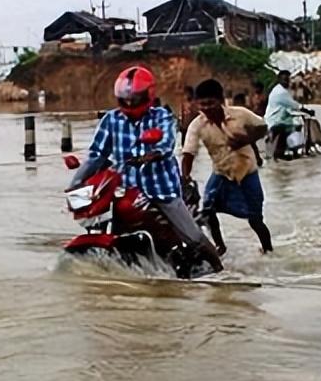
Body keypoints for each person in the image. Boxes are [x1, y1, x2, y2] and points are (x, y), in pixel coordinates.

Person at [69, 65, 223, 271]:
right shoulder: (111, 120)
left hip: (160, 188)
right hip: (125, 188)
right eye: (126, 97)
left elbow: (166, 144)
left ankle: (219, 270)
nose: (130, 102)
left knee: (193, 237)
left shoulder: (161, 117)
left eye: (135, 97)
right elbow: (96, 156)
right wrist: (76, 183)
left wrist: (150, 155)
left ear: (148, 95)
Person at [181, 78, 273, 255]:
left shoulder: (241, 114)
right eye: (202, 104)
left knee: (255, 219)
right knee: (207, 210)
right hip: (221, 173)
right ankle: (220, 247)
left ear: (220, 101)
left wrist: (246, 139)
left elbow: (263, 127)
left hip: (248, 171)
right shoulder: (197, 125)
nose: (206, 108)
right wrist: (186, 178)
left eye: (210, 103)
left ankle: (268, 251)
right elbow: (188, 153)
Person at [264, 69, 305, 160]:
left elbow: (287, 107)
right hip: (275, 121)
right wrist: (306, 110)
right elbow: (293, 104)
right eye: (284, 80)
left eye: (287, 80)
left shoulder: (279, 89)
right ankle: (280, 153)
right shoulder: (281, 92)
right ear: (279, 79)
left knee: (293, 125)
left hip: (276, 118)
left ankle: (289, 150)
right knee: (290, 128)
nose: (287, 82)